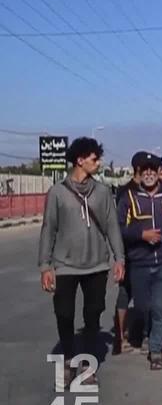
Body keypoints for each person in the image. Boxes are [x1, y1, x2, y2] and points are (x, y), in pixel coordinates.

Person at [39, 137, 125, 387]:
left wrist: (119, 258)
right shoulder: (57, 192)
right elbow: (48, 229)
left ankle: (87, 365)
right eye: (94, 158)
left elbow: (112, 227)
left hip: (97, 265)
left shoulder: (102, 192)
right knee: (64, 314)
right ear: (80, 160)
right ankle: (68, 360)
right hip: (65, 265)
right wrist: (45, 266)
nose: (98, 162)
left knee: (93, 315)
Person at [117, 152, 162, 370]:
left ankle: (156, 349)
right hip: (139, 262)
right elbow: (119, 228)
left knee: (160, 306)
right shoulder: (129, 197)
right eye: (144, 169)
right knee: (142, 306)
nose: (149, 173)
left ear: (158, 172)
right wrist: (142, 235)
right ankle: (146, 330)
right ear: (139, 172)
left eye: (152, 169)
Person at [112, 153, 145, 355]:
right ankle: (122, 335)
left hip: (139, 249)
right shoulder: (128, 192)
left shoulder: (135, 189)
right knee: (128, 293)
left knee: (130, 293)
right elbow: (120, 224)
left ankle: (129, 334)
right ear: (139, 169)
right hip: (132, 249)